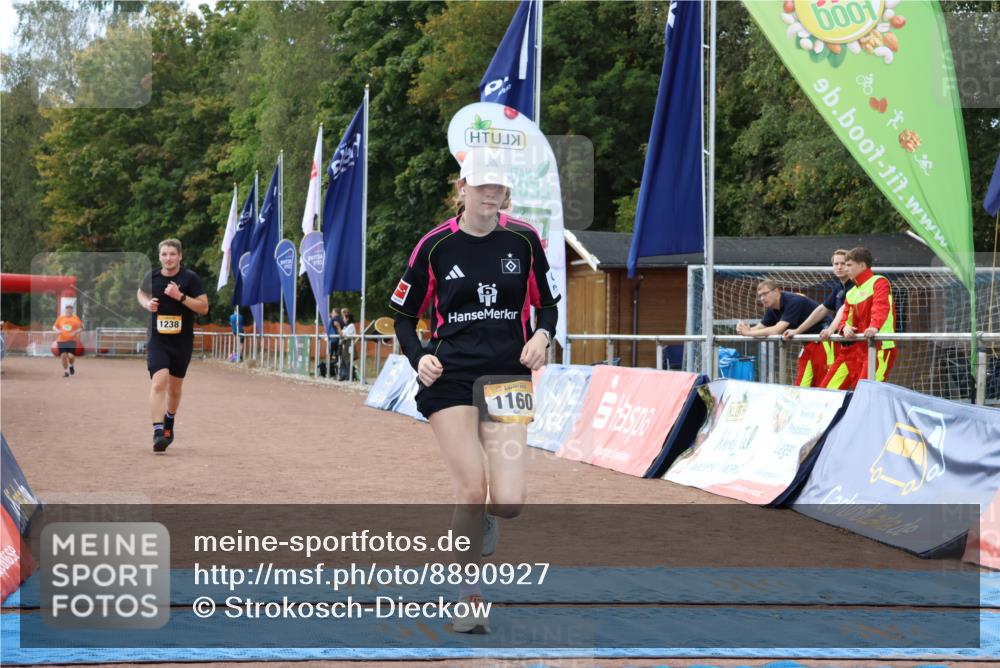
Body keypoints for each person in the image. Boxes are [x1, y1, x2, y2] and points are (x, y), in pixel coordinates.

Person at [389, 146, 559, 633]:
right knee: (471, 484)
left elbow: (546, 306)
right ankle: (467, 597)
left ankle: (482, 516)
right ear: (461, 189)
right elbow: (404, 315)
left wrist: (543, 336)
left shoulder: (524, 240)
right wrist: (418, 355)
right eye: (481, 186)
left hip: (507, 374)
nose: (491, 194)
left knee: (507, 500)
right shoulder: (435, 246)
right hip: (451, 376)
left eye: (498, 187)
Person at [136, 239, 208, 453]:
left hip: (182, 340)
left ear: (180, 256)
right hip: (158, 339)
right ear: (159, 257)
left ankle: (169, 421)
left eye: (172, 254)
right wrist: (146, 303)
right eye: (164, 254)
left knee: (175, 389)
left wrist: (181, 296)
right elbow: (141, 293)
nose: (168, 258)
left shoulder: (190, 278)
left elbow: (203, 307)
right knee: (159, 382)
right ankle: (158, 432)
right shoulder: (153, 277)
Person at [819, 247, 897, 390]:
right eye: (842, 264)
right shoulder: (852, 292)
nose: (845, 268)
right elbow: (844, 319)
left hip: (879, 347)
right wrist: (844, 328)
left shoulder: (879, 281)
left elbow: (880, 307)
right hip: (855, 349)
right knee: (826, 391)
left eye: (849, 265)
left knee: (866, 393)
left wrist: (874, 326)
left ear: (862, 265)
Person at [735, 280, 829, 386]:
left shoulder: (793, 300)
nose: (762, 298)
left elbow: (776, 330)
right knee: (801, 385)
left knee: (825, 384)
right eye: (760, 296)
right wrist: (744, 329)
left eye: (765, 294)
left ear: (776, 291)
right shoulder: (773, 308)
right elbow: (758, 328)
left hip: (825, 341)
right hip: (809, 344)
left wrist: (748, 333)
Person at [784, 249, 854, 343]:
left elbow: (843, 310)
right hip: (844, 340)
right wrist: (797, 331)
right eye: (836, 264)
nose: (839, 267)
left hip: (856, 337)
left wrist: (830, 330)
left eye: (843, 263)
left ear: (850, 265)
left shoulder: (855, 285)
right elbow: (822, 309)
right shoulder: (839, 287)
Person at [52, 304, 83, 378]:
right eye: (67, 309)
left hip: (72, 340)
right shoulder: (60, 318)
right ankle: (66, 372)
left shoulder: (76, 318)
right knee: (63, 356)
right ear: (65, 310)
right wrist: (57, 330)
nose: (69, 311)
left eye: (70, 310)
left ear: (72, 311)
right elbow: (54, 326)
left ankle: (71, 366)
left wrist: (76, 331)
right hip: (61, 340)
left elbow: (81, 327)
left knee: (71, 356)